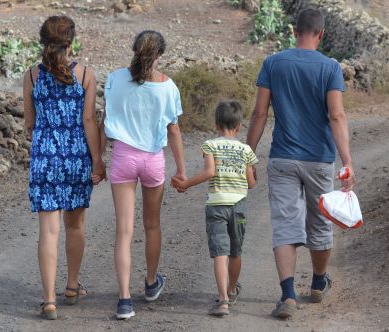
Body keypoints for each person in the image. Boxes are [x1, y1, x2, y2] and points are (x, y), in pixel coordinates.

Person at [246, 8, 356, 319]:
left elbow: (259, 114)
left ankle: (288, 295)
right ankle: (319, 282)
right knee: (319, 222)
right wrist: (347, 160)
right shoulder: (330, 68)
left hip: (282, 157)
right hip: (319, 160)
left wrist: (248, 155)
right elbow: (336, 115)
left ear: (295, 31)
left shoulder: (273, 63)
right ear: (321, 34)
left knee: (285, 224)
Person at [23, 15, 105, 320]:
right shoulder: (85, 75)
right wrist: (97, 160)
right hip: (75, 158)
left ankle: (48, 300)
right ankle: (71, 286)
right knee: (75, 226)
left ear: (43, 40)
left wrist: (47, 133)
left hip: (44, 158)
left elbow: (29, 126)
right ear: (71, 41)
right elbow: (88, 121)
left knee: (48, 231)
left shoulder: (31, 76)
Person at [102, 30, 186, 320]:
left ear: (134, 49)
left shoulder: (114, 79)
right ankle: (150, 284)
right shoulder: (168, 86)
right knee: (152, 225)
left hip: (123, 157)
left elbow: (106, 121)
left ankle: (124, 300)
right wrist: (182, 170)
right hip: (153, 160)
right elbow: (173, 130)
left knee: (124, 231)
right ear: (160, 54)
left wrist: (98, 160)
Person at [172, 101, 258, 317]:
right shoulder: (246, 150)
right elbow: (251, 183)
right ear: (239, 126)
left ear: (216, 125)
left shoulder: (210, 145)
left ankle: (223, 300)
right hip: (238, 207)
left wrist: (186, 183)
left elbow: (210, 171)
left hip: (216, 205)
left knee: (220, 253)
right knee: (235, 251)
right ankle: (232, 288)